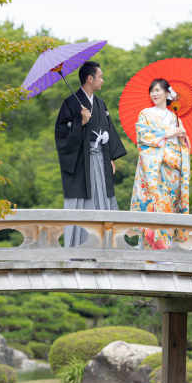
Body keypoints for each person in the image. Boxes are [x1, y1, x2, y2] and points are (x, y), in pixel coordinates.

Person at [54, 61, 127, 247]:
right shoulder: (70, 103)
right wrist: (81, 122)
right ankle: (78, 247)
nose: (102, 80)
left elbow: (108, 129)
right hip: (81, 164)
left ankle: (102, 245)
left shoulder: (100, 104)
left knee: (102, 197)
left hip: (101, 159)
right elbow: (62, 134)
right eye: (100, 76)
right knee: (82, 201)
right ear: (90, 78)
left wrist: (110, 157)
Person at [130, 78, 191, 250]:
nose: (154, 94)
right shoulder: (146, 114)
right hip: (155, 171)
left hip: (173, 172)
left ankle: (165, 250)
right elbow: (142, 137)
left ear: (167, 93)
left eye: (158, 90)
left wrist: (182, 137)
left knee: (169, 208)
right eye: (152, 90)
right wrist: (167, 133)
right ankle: (154, 250)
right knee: (155, 207)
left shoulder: (175, 117)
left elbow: (184, 147)